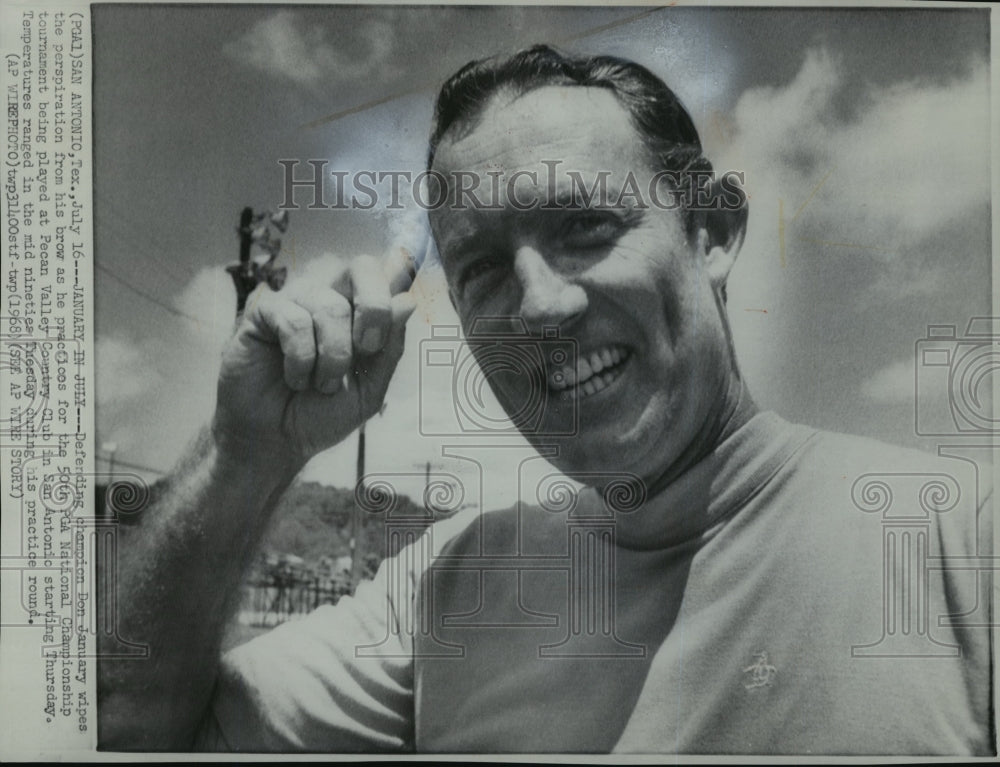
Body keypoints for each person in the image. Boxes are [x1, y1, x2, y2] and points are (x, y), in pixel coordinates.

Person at [98, 46, 993, 755]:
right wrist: (245, 451)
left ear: (713, 232)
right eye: (482, 268)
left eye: (586, 228)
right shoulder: (448, 587)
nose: (539, 306)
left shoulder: (961, 543)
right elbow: (122, 729)